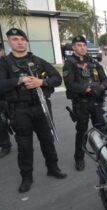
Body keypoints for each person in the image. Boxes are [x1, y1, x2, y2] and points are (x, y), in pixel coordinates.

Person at [0, 28, 66, 193]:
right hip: (20, 110)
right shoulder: (4, 64)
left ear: (26, 41)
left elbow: (57, 79)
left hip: (41, 106)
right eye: (15, 39)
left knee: (47, 140)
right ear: (9, 42)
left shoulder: (37, 60)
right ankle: (26, 177)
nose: (19, 42)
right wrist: (19, 80)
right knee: (24, 145)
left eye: (22, 39)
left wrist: (41, 82)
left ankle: (53, 168)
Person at [63, 35, 107, 171]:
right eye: (79, 45)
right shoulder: (69, 63)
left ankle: (104, 157)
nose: (82, 48)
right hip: (81, 103)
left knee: (101, 130)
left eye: (83, 45)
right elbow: (70, 84)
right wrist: (86, 89)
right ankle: (79, 158)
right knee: (82, 132)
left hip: (96, 102)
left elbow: (105, 79)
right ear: (73, 47)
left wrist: (101, 87)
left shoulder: (93, 62)